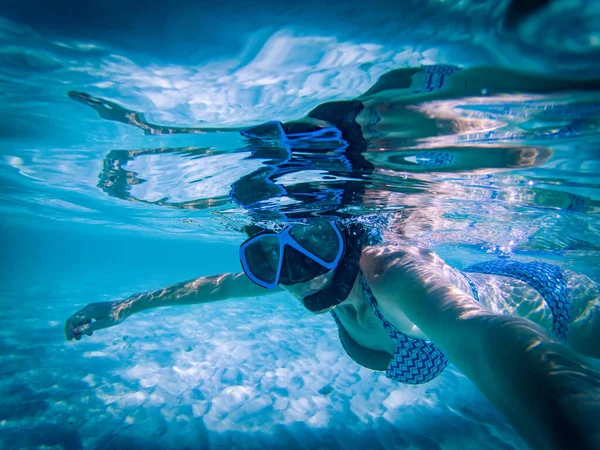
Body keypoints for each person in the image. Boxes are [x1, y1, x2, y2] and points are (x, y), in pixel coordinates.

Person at [66, 65, 600, 449]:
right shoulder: (295, 270)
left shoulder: (391, 274)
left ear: (353, 238)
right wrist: (122, 307)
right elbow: (215, 287)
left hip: (561, 307)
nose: (295, 273)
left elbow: (483, 338)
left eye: (317, 243)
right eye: (270, 256)